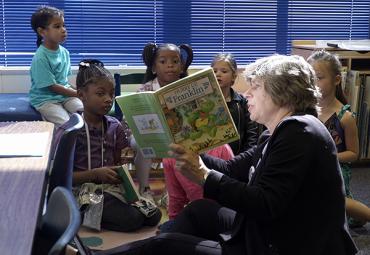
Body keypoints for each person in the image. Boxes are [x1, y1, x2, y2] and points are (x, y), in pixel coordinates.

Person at [110, 54, 358, 255]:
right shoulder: (276, 132)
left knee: (163, 246)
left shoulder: (300, 133)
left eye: (255, 87)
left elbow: (264, 203)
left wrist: (204, 177)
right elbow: (231, 169)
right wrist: (191, 153)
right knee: (199, 210)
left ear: (281, 93)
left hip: (288, 244)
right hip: (270, 229)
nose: (247, 94)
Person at [53, 59, 161, 232]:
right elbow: (61, 177)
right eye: (100, 94)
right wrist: (95, 174)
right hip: (82, 191)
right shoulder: (70, 131)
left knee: (154, 215)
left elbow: (120, 163)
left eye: (111, 94)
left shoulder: (114, 126)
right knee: (132, 219)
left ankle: (100, 213)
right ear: (81, 95)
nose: (108, 99)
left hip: (110, 189)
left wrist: (121, 173)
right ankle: (80, 214)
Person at [307, 50, 370, 227]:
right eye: (310, 77)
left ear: (336, 80)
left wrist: (330, 157)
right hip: (310, 164)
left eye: (319, 77)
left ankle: (359, 213)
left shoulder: (345, 117)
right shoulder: (306, 109)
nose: (314, 83)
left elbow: (353, 153)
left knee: (327, 194)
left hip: (336, 167)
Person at [128, 42, 193, 200]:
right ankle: (144, 189)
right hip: (145, 134)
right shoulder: (145, 90)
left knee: (184, 145)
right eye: (163, 61)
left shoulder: (187, 89)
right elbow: (131, 120)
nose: (169, 65)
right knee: (144, 145)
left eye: (175, 61)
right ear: (154, 68)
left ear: (182, 66)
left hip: (177, 134)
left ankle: (171, 192)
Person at [29, 6, 83, 127]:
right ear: (42, 32)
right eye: (57, 26)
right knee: (67, 124)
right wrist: (77, 93)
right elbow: (52, 86)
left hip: (65, 97)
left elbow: (64, 82)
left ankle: (89, 143)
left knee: (85, 112)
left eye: (63, 25)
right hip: (46, 100)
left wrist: (80, 91)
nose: (63, 30)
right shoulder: (40, 57)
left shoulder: (65, 52)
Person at [163, 145, 234, 220]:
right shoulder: (170, 159)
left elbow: (234, 191)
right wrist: (173, 223)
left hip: (227, 213)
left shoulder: (222, 148)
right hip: (199, 213)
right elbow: (176, 198)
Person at [211, 53, 259, 154]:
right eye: (214, 71)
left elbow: (252, 135)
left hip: (237, 159)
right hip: (210, 159)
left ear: (233, 76)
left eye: (224, 71)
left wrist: (244, 159)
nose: (217, 74)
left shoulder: (243, 103)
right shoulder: (205, 102)